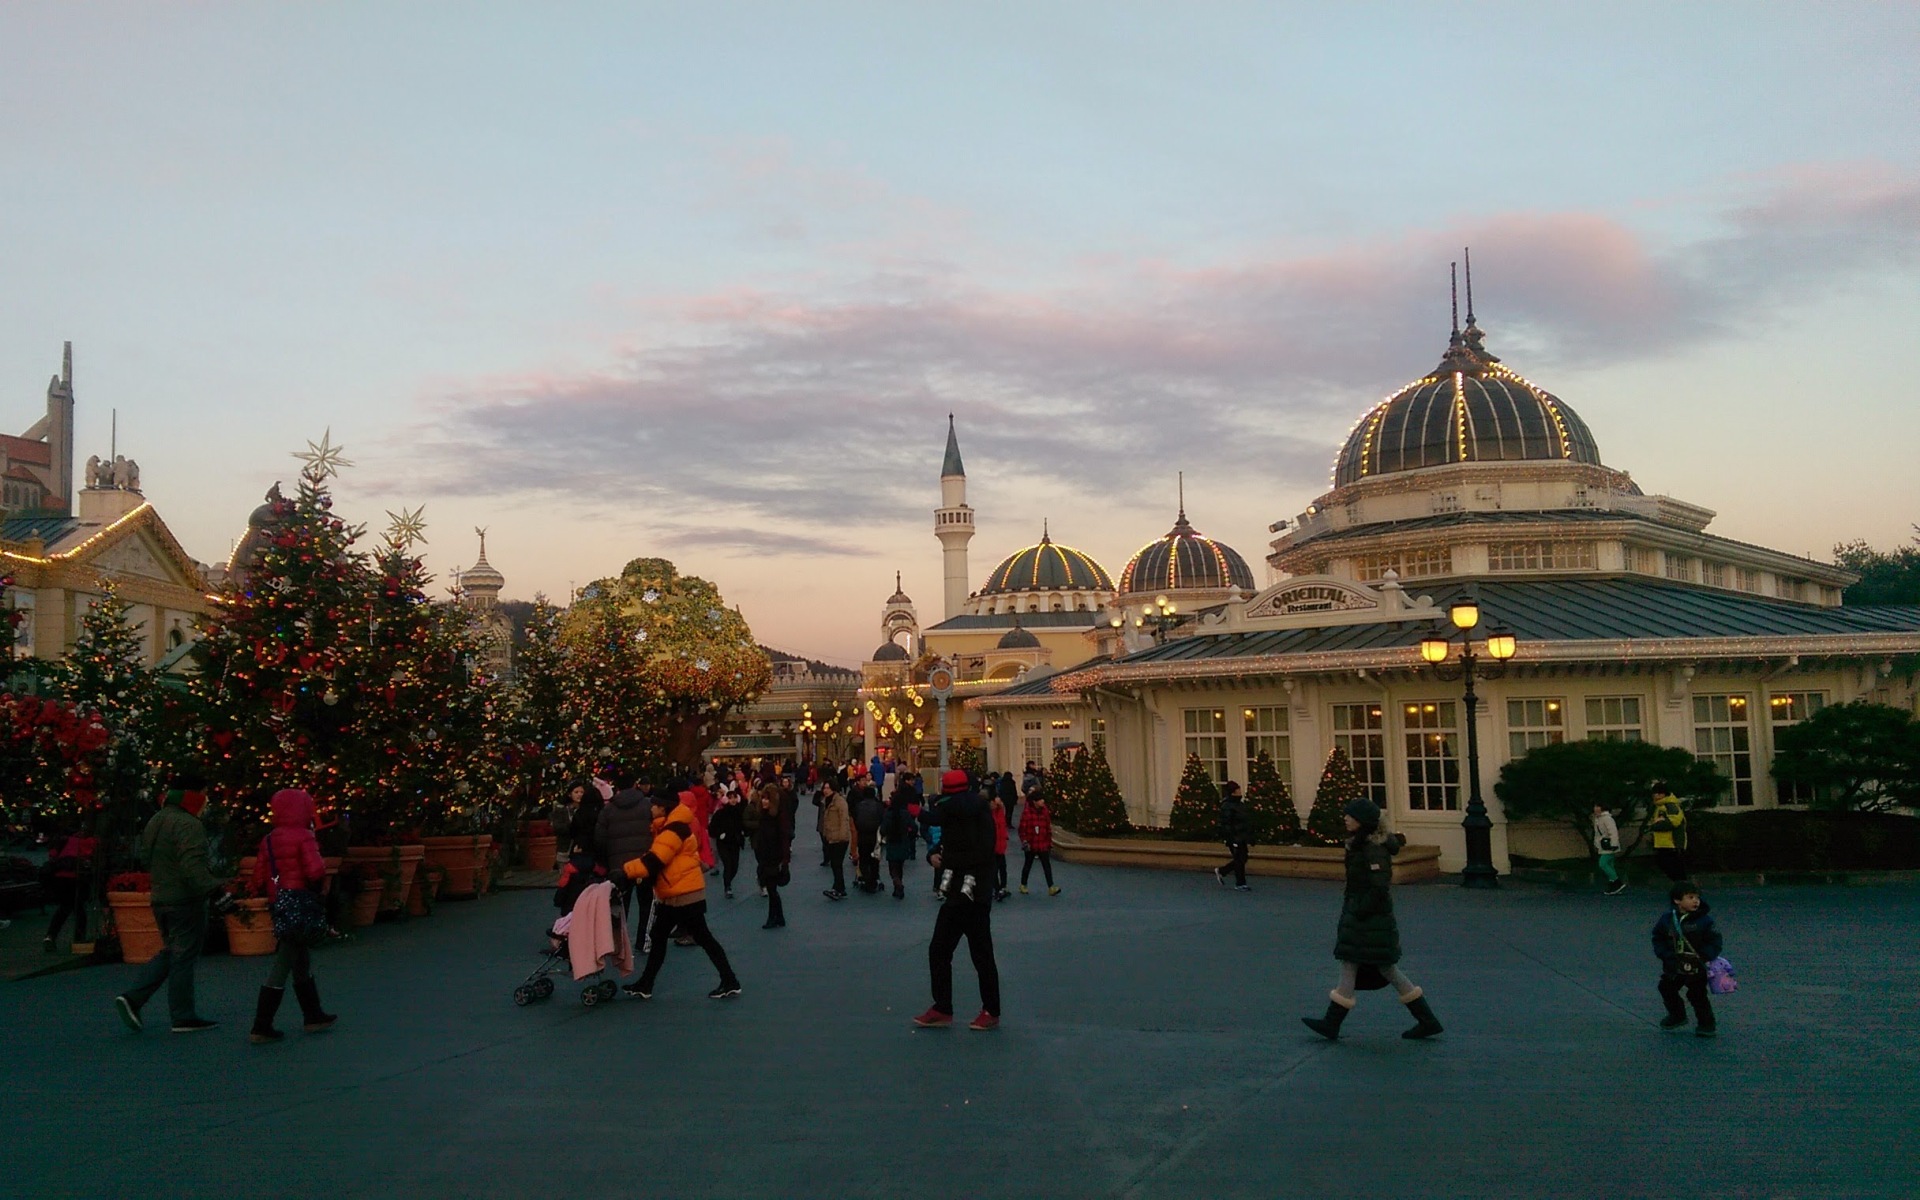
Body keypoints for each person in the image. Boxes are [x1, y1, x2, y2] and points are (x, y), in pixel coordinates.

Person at [1300, 798, 1443, 1041]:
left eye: (1350, 815)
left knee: (1361, 963)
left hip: (1369, 918)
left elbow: (1379, 886)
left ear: (1362, 821)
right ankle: (1426, 1020)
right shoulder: (1362, 844)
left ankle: (1332, 1023)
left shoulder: (1372, 848)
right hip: (1367, 917)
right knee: (1373, 965)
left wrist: (1359, 910)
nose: (1345, 819)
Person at [115, 780, 237, 1034]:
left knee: (174, 950)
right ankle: (180, 1015)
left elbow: (146, 858)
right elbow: (193, 867)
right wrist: (215, 890)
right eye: (203, 794)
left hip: (161, 897)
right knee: (183, 956)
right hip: (185, 899)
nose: (206, 800)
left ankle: (135, 998)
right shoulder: (189, 824)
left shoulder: (157, 819)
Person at [620, 787, 742, 1000]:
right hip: (679, 890)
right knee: (665, 936)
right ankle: (646, 983)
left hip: (682, 893)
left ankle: (729, 980)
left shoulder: (673, 830)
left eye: (654, 805)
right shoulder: (672, 826)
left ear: (664, 807)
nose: (651, 808)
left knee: (699, 937)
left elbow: (656, 859)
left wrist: (624, 872)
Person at [246, 789, 339, 1044]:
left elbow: (259, 874)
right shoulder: (304, 836)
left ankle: (313, 1014)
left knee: (299, 957)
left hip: (279, 901)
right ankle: (262, 1025)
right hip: (300, 900)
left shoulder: (269, 839)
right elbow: (315, 870)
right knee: (285, 959)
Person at [915, 769, 1002, 1031]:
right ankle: (985, 1009)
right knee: (976, 953)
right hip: (973, 892)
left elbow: (973, 853)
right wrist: (934, 854)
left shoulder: (955, 813)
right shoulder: (972, 812)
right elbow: (954, 845)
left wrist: (940, 859)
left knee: (946, 950)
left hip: (967, 893)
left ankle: (947, 1008)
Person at [1653, 881, 1723, 1037]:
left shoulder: (1705, 921)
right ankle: (1677, 1015)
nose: (1696, 901)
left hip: (1696, 965)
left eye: (1697, 897)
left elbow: (1715, 941)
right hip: (1673, 964)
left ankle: (1706, 1024)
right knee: (1666, 988)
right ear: (1677, 900)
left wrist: (1703, 955)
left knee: (1697, 994)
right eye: (1690, 897)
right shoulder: (1667, 919)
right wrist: (1665, 954)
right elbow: (1658, 938)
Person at [595, 768, 656, 929]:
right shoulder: (648, 805)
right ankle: (644, 938)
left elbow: (600, 838)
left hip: (618, 864)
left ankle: (620, 939)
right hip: (644, 861)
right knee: (646, 904)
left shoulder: (608, 809)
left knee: (620, 906)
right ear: (635, 784)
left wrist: (605, 861)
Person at [44, 827, 98, 952]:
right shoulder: (87, 842)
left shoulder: (63, 841)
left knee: (64, 908)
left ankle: (50, 936)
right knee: (79, 911)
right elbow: (89, 859)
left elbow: (52, 855)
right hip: (76, 878)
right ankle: (79, 939)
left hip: (60, 877)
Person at [753, 786, 789, 928]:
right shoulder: (763, 816)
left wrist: (784, 860)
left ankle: (772, 917)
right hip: (765, 856)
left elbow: (784, 838)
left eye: (767, 799)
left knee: (772, 889)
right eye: (763, 798)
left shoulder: (778, 817)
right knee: (771, 888)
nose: (764, 801)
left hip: (774, 857)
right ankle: (779, 917)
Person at [1017, 785, 1059, 895]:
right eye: (1040, 800)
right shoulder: (1027, 813)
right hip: (1031, 843)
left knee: (1046, 865)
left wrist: (1049, 841)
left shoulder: (1045, 811)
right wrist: (1024, 841)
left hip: (1042, 842)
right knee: (1028, 864)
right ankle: (1023, 884)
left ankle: (1051, 886)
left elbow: (1047, 827)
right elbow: (1022, 828)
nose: (1043, 801)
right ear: (1035, 802)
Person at [710, 783, 747, 899]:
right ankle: (727, 887)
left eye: (735, 797)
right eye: (730, 798)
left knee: (734, 866)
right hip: (723, 843)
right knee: (728, 864)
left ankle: (728, 881)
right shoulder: (720, 813)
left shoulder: (739, 812)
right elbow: (712, 828)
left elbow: (743, 825)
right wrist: (720, 834)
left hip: (735, 842)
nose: (733, 800)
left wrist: (743, 833)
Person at [1214, 780, 1252, 892]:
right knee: (1240, 859)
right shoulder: (1227, 806)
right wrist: (1231, 837)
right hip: (1234, 836)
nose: (1240, 791)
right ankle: (1240, 882)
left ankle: (1223, 871)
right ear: (1233, 792)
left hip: (1241, 835)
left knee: (1242, 858)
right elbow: (1226, 823)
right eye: (1238, 789)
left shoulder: (1240, 804)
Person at [883, 787, 918, 899]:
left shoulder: (888, 814)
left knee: (893, 868)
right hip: (903, 841)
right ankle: (898, 886)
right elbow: (914, 827)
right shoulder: (905, 813)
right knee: (900, 866)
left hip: (891, 841)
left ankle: (897, 883)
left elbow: (883, 829)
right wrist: (910, 836)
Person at [1649, 784, 1689, 881]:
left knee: (1674, 867)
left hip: (1672, 843)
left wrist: (1655, 825)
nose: (1655, 795)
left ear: (1663, 794)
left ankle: (1683, 886)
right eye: (1654, 793)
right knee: (1667, 866)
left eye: (1658, 793)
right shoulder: (1659, 806)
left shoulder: (1670, 805)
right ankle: (1680, 885)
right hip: (1663, 842)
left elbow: (1673, 822)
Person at [819, 782, 851, 899]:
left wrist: (842, 836)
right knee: (835, 864)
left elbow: (844, 819)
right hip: (831, 836)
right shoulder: (826, 801)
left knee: (836, 864)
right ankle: (839, 887)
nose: (825, 790)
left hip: (839, 838)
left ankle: (838, 888)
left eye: (828, 788)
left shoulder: (840, 802)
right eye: (824, 788)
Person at [852, 783, 885, 894]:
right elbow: (882, 819)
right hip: (874, 835)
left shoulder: (859, 806)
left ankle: (866, 879)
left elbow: (855, 818)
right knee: (874, 859)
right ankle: (873, 880)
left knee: (863, 858)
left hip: (862, 834)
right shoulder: (878, 806)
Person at [1593, 803, 1626, 895]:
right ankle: (1613, 884)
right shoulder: (1598, 818)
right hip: (1604, 845)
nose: (1595, 808)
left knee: (1603, 863)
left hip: (1609, 845)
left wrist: (1614, 844)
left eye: (1597, 806)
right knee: (1610, 865)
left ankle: (1617, 882)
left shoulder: (1607, 818)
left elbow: (1613, 832)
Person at [988, 792, 1011, 901]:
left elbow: (1002, 827)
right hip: (993, 846)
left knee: (1002, 867)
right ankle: (996, 889)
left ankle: (1003, 887)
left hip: (1001, 845)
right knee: (994, 869)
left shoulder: (1000, 812)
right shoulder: (989, 814)